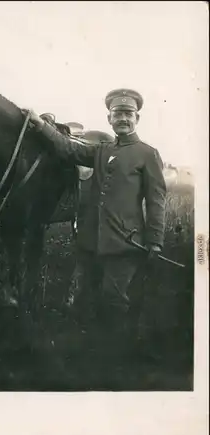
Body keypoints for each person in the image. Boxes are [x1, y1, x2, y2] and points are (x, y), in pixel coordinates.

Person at [27, 89, 167, 344]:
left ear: (137, 118)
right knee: (84, 297)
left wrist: (155, 240)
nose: (123, 119)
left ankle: (115, 356)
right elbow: (67, 148)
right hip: (91, 240)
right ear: (109, 118)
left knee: (115, 300)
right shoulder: (101, 151)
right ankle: (85, 352)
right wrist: (40, 126)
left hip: (125, 242)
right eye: (117, 114)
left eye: (128, 114)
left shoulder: (148, 154)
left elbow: (157, 199)